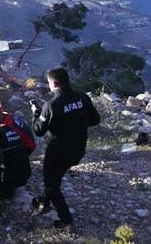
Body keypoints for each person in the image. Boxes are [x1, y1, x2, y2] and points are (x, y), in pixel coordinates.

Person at [31, 68, 100, 229]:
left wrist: (36, 114)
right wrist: (76, 124)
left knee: (52, 184)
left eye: (48, 83)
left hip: (57, 152)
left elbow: (38, 131)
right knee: (54, 179)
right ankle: (45, 201)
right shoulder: (82, 98)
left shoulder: (51, 105)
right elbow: (95, 119)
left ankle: (65, 220)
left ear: (53, 83)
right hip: (78, 149)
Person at [0, 102, 36, 197]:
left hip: (15, 173)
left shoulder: (5, 130)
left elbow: (31, 144)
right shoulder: (11, 121)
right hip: (23, 167)